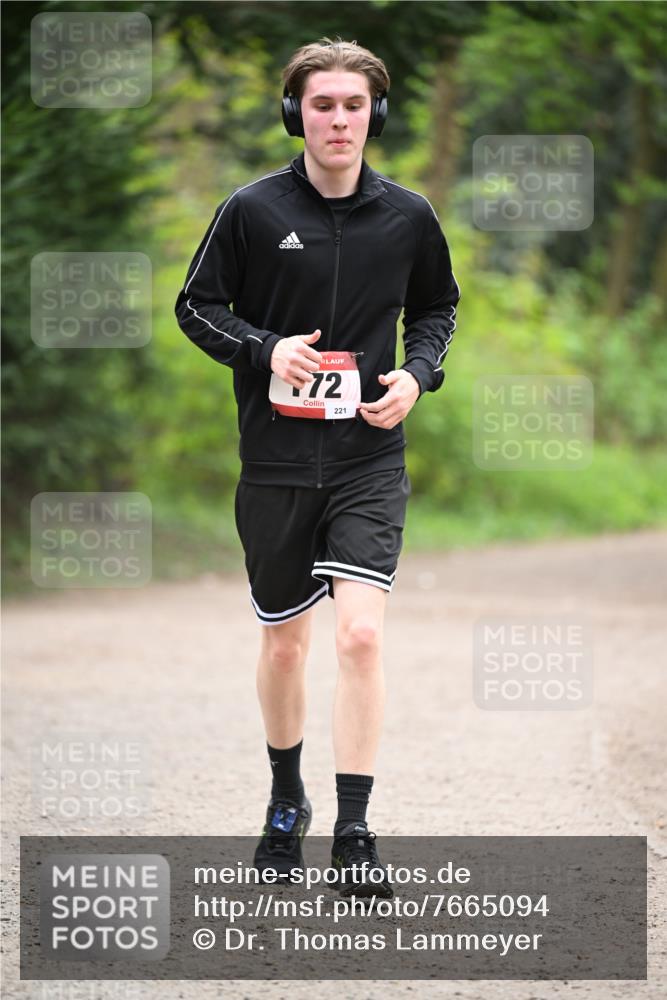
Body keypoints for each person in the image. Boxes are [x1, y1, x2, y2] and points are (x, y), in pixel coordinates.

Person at [175, 37, 460, 898]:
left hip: (368, 459)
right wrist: (267, 352)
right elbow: (195, 306)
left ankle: (356, 829)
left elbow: (437, 307)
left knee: (361, 635)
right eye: (322, 104)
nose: (339, 119)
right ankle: (284, 805)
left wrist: (417, 374)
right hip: (273, 460)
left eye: (353, 104)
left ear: (377, 113)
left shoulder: (407, 215)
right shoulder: (251, 210)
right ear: (294, 112)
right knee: (286, 646)